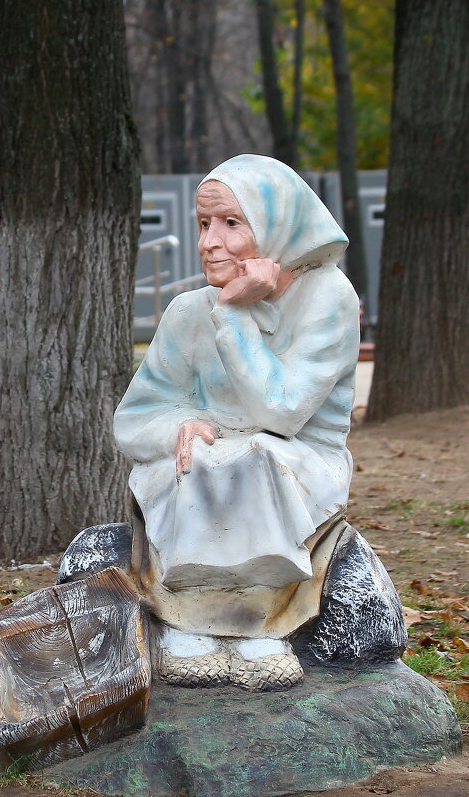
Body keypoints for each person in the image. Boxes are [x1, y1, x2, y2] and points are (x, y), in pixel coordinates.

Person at [113, 154, 359, 691]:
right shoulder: (186, 312)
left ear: (276, 225)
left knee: (256, 459)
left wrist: (234, 316)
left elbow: (284, 412)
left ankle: (262, 626)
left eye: (230, 223)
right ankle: (185, 621)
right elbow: (133, 421)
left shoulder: (329, 299)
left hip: (299, 460)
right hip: (203, 463)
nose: (208, 242)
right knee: (205, 459)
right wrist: (182, 423)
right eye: (203, 224)